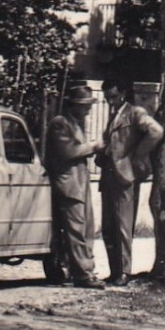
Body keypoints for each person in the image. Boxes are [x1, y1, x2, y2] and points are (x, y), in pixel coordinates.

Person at [98, 81, 165, 287]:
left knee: (123, 226)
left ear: (123, 94)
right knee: (108, 226)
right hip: (108, 175)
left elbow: (156, 131)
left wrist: (138, 156)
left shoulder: (135, 113)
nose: (110, 102)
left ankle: (125, 271)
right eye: (107, 98)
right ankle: (114, 270)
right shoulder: (113, 115)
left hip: (125, 176)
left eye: (113, 97)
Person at [45, 84, 105, 290]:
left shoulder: (75, 124)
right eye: (84, 105)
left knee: (86, 228)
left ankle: (81, 269)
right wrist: (93, 147)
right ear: (74, 106)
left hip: (79, 184)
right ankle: (83, 274)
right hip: (68, 185)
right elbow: (67, 152)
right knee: (76, 230)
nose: (88, 110)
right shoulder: (60, 124)